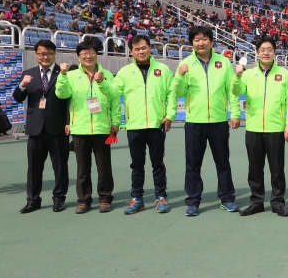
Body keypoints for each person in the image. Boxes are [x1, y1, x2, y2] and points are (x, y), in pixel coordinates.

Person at [97, 35, 177, 214]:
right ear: (131, 52)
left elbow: (171, 95)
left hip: (157, 125)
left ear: (150, 48)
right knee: (137, 165)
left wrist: (170, 115)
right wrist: (102, 83)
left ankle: (160, 197)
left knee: (158, 164)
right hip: (134, 126)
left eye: (144, 48)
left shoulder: (163, 69)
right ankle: (137, 198)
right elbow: (113, 93)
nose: (141, 51)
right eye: (137, 49)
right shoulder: (125, 72)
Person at [172, 25, 241, 216]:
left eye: (204, 39)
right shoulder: (185, 64)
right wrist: (179, 76)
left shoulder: (224, 63)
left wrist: (235, 113)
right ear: (192, 43)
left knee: (223, 162)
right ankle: (193, 201)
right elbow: (178, 93)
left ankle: (227, 198)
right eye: (196, 40)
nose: (200, 43)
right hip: (195, 122)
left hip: (219, 121)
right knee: (193, 164)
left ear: (212, 41)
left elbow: (232, 91)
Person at [232, 36, 288, 217]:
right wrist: (237, 76)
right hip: (253, 128)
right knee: (254, 169)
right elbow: (236, 92)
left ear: (275, 52)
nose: (266, 53)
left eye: (269, 49)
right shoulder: (248, 74)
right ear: (257, 53)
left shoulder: (284, 74)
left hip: (276, 128)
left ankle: (277, 202)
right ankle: (256, 201)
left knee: (277, 170)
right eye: (262, 50)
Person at [55, 41, 121, 214]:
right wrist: (61, 75)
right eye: (83, 53)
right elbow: (62, 94)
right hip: (80, 128)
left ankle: (105, 198)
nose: (88, 56)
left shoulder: (107, 74)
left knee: (104, 167)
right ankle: (84, 200)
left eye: (91, 52)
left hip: (102, 128)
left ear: (96, 54)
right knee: (82, 168)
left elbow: (114, 98)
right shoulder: (70, 75)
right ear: (78, 57)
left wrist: (115, 122)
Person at [12, 40, 70, 213]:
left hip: (58, 127)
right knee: (34, 168)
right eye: (41, 53)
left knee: (60, 166)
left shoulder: (63, 72)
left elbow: (68, 101)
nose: (45, 57)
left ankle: (59, 199)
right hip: (35, 128)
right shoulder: (28, 74)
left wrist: (68, 122)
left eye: (49, 53)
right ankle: (33, 200)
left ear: (55, 54)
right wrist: (22, 85)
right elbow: (18, 98)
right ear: (36, 54)